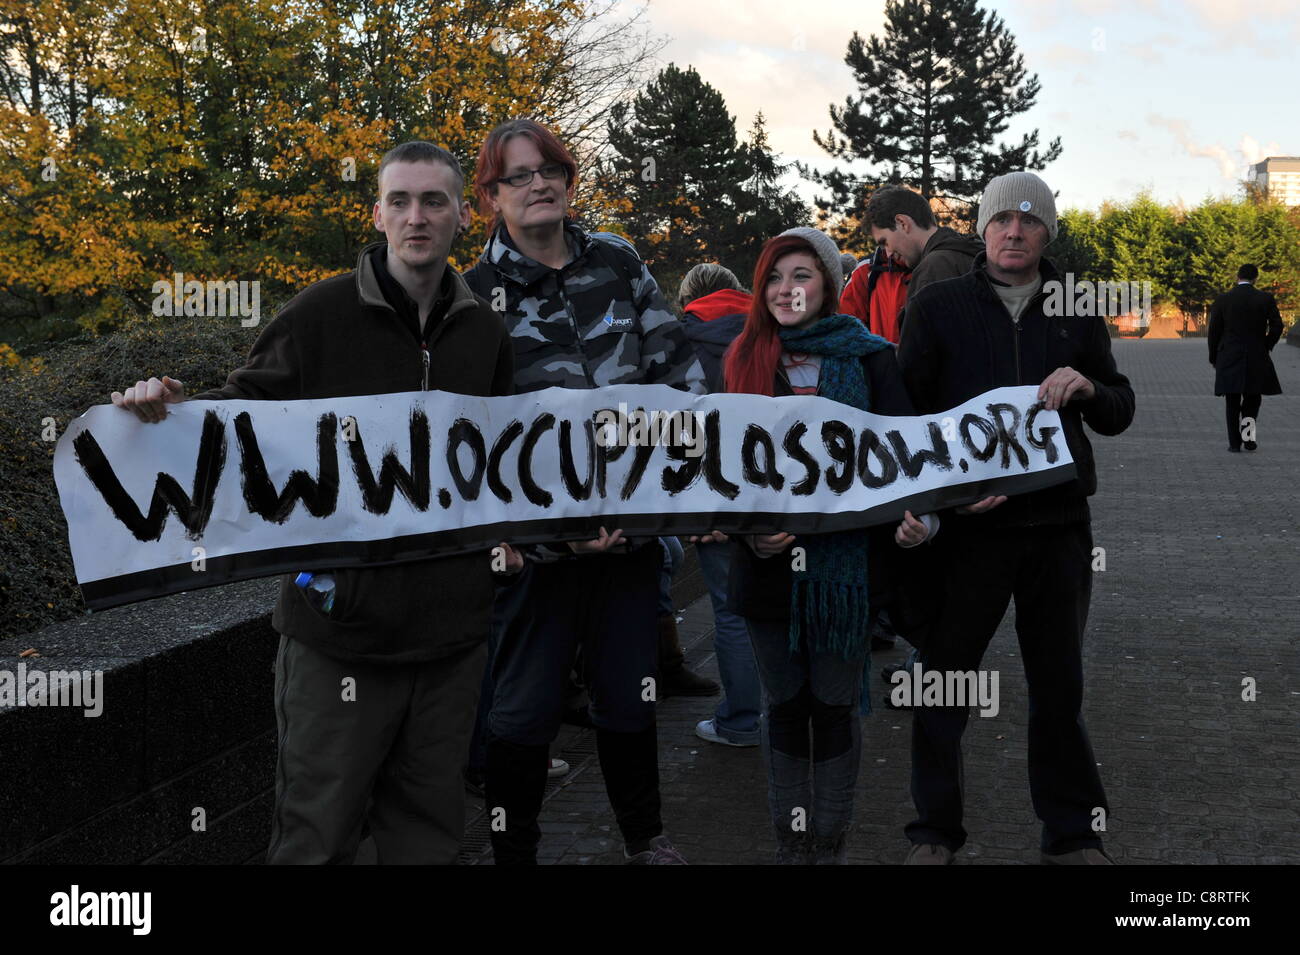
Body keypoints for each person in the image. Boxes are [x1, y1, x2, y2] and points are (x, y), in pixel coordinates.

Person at [109, 142, 516, 864]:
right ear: (378, 213)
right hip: (340, 639)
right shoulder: (318, 314)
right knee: (315, 838)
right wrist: (167, 412)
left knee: (428, 840)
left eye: (433, 201)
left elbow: (505, 461)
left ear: (463, 215)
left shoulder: (485, 331)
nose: (416, 216)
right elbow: (241, 417)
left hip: (452, 641)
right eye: (400, 200)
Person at [463, 118, 706, 865]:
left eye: (550, 170)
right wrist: (518, 536)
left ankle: (645, 839)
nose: (538, 184)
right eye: (517, 176)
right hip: (535, 560)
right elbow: (461, 438)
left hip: (632, 540)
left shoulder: (619, 263)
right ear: (492, 196)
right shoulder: (472, 296)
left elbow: (679, 379)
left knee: (631, 699)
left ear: (568, 180)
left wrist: (678, 500)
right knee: (522, 713)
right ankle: (516, 853)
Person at [896, 171, 1135, 865]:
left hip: (1058, 529)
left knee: (1058, 687)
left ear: (1047, 232)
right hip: (970, 533)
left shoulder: (1077, 307)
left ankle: (1073, 833)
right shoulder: (938, 304)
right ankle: (934, 832)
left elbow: (1119, 409)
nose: (1014, 231)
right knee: (943, 681)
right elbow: (909, 419)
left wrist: (1089, 386)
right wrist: (947, 496)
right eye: (1002, 220)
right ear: (982, 228)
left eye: (1030, 221)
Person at [722, 227, 938, 863]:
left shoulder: (872, 358)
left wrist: (917, 520)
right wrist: (752, 534)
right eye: (774, 278)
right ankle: (792, 843)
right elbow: (722, 472)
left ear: (827, 282)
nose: (787, 290)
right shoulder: (743, 357)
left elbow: (906, 459)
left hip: (846, 576)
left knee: (835, 708)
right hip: (767, 576)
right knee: (785, 707)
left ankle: (830, 838)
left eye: (801, 275)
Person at [676, 264, 764, 748]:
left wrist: (696, 507)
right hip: (772, 492)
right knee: (777, 608)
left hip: (712, 494)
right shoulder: (769, 332)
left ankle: (741, 720)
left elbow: (673, 433)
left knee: (730, 614)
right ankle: (791, 717)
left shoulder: (677, 340)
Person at [1208, 263, 1283, 452]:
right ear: (1255, 278)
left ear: (1237, 276)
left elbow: (1214, 332)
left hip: (1229, 356)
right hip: (1256, 357)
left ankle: (1234, 444)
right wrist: (1265, 345)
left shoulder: (1223, 299)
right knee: (1252, 400)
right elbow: (1277, 326)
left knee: (1232, 402)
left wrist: (1214, 356)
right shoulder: (1265, 299)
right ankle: (1248, 438)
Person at [866, 184, 983, 301]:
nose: (888, 254)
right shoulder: (969, 253)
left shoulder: (933, 271)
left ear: (902, 223)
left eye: (885, 242)